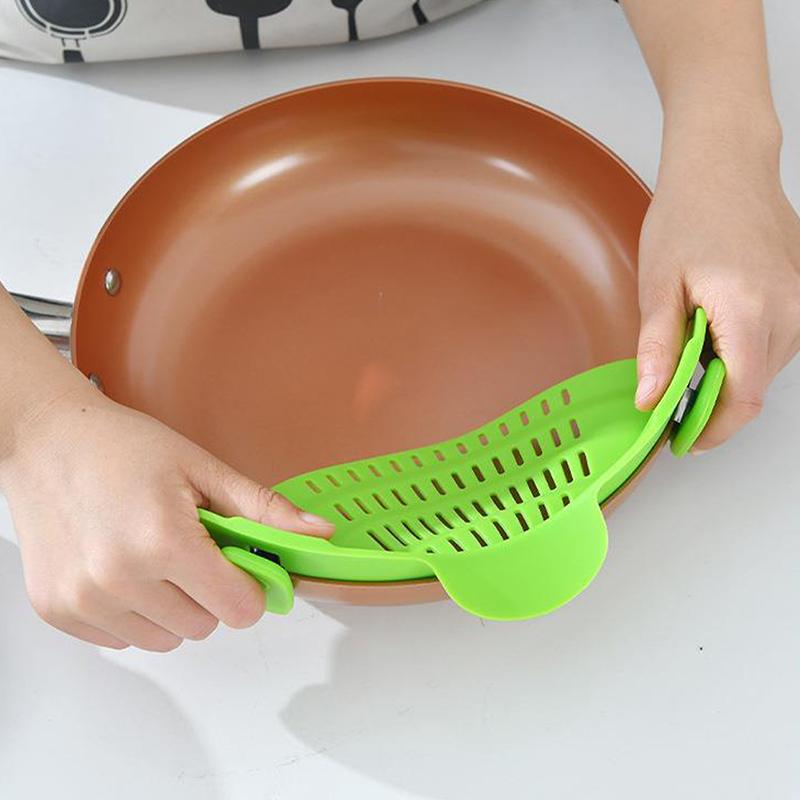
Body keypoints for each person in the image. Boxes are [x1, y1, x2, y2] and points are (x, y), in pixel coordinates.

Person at [0, 0, 798, 651]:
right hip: (60, 99)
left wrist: (727, 145)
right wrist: (30, 421)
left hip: (512, 33)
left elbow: (725, 144)